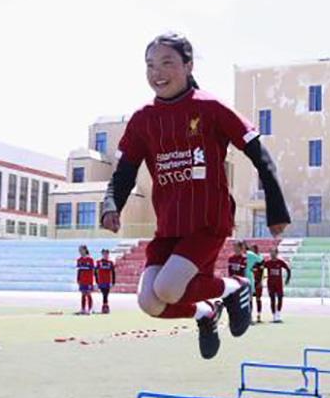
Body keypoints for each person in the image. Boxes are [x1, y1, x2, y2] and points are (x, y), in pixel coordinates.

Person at [101, 32, 290, 359]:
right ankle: (206, 313)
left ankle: (236, 287)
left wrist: (276, 208)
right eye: (150, 65)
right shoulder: (143, 119)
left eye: (167, 62)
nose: (157, 72)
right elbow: (124, 171)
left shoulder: (211, 107)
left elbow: (259, 154)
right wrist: (111, 204)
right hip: (168, 226)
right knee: (150, 302)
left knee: (168, 289)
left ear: (187, 65)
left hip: (207, 220)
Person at [263, 248, 291, 323]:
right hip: (270, 284)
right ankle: (274, 316)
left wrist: (287, 279)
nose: (272, 254)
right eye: (271, 252)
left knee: (280, 298)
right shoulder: (268, 262)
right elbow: (261, 268)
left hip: (279, 284)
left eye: (274, 253)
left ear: (277, 253)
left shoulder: (280, 262)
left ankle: (278, 314)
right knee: (272, 299)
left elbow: (288, 269)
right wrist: (260, 278)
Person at [95, 248, 116, 314]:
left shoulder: (110, 263)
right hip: (101, 281)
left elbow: (113, 272)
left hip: (107, 281)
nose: (105, 255)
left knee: (106, 294)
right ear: (102, 254)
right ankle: (105, 307)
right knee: (104, 294)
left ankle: (105, 307)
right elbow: (95, 272)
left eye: (106, 254)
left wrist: (113, 281)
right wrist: (97, 281)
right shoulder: (99, 262)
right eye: (104, 254)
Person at [76, 245, 95, 315]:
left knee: (88, 293)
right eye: (79, 250)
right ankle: (83, 309)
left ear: (85, 250)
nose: (80, 252)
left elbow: (92, 270)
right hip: (82, 279)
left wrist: (92, 280)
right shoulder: (79, 260)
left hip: (88, 280)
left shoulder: (90, 260)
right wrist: (78, 279)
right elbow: (79, 270)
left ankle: (90, 309)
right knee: (83, 294)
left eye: (81, 250)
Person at [249, 245, 265, 323]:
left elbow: (262, 272)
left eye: (252, 250)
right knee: (250, 300)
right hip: (251, 283)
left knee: (258, 299)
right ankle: (250, 317)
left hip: (258, 283)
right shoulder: (249, 259)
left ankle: (259, 316)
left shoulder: (260, 260)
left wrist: (260, 282)